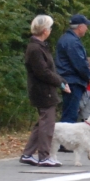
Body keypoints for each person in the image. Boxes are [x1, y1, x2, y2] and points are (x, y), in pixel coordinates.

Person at [21, 15, 71, 167]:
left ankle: (28, 153)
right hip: (43, 91)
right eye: (49, 28)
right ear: (44, 30)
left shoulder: (38, 46)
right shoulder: (36, 49)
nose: (50, 30)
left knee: (42, 122)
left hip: (45, 89)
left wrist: (60, 81)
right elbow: (43, 72)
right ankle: (44, 156)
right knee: (47, 124)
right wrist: (60, 83)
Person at [56, 14, 90, 123]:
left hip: (68, 80)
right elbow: (79, 63)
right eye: (86, 26)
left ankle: (64, 138)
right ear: (80, 27)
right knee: (70, 114)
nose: (87, 28)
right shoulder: (72, 42)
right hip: (73, 82)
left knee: (70, 111)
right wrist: (89, 76)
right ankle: (64, 139)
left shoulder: (66, 39)